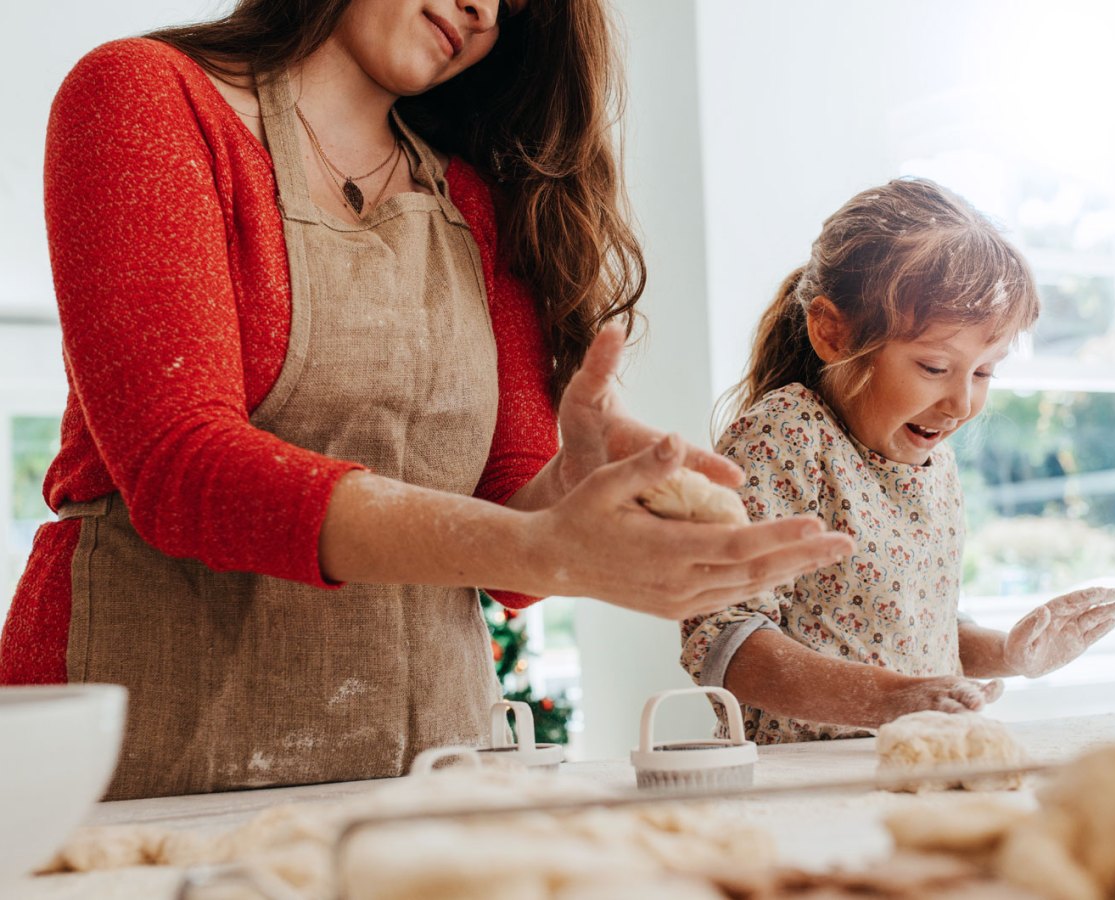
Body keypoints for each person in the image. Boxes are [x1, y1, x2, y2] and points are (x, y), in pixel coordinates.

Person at [0, 0, 852, 798]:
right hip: (142, 754)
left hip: (418, 772)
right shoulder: (144, 95)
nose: (484, 9)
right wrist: (538, 546)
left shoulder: (475, 203)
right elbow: (180, 466)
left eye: (514, 6)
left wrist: (568, 487)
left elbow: (505, 525)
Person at [682, 178, 1115, 743]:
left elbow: (922, 630)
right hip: (799, 785)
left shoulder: (934, 465)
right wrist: (889, 700)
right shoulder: (788, 436)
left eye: (985, 371)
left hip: (905, 768)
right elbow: (724, 640)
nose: (962, 403)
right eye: (935, 367)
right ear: (831, 333)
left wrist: (1011, 652)